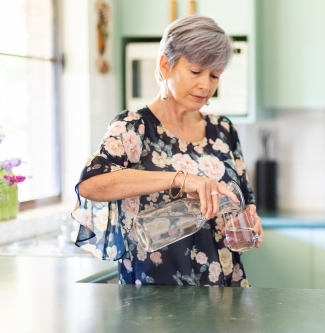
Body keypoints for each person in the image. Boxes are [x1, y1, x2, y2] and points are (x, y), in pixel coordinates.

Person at [71, 15, 264, 286]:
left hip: (223, 291)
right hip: (155, 295)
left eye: (215, 75)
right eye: (196, 72)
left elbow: (242, 196)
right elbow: (91, 186)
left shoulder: (223, 130)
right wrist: (180, 179)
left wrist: (246, 219)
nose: (206, 85)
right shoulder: (133, 127)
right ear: (166, 65)